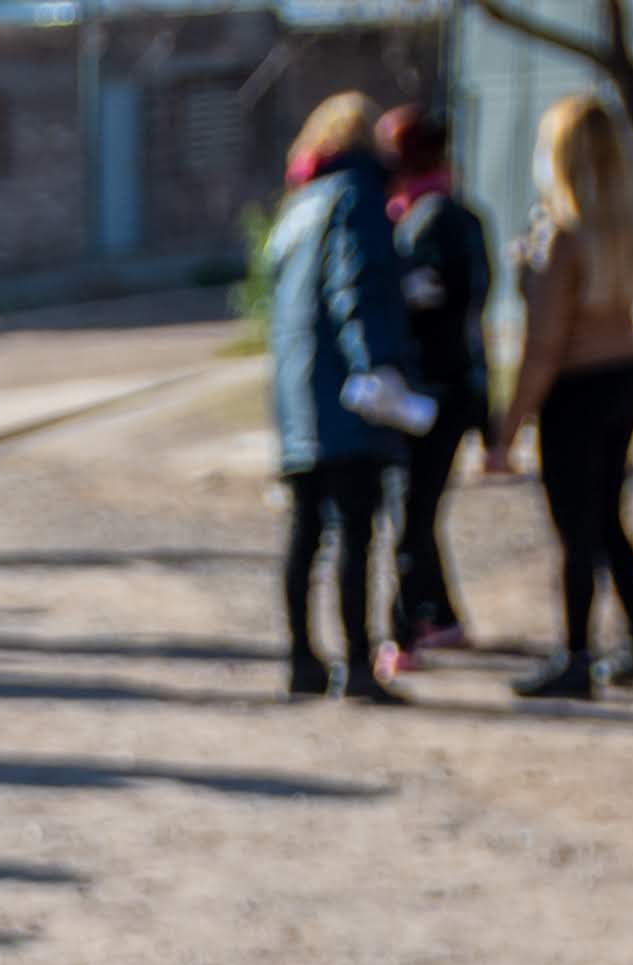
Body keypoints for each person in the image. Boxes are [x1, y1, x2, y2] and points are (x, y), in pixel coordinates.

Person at [494, 90, 633, 699]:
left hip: (577, 387)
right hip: (627, 374)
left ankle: (575, 654)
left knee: (577, 527)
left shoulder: (562, 237)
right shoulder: (626, 227)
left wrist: (507, 428)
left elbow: (543, 345)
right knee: (611, 514)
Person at [262, 93, 419, 704]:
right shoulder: (357, 198)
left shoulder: (297, 207)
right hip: (347, 397)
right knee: (356, 533)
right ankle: (357, 664)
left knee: (306, 532)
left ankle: (303, 659)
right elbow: (356, 288)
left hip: (299, 396)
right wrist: (379, 369)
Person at [377, 103, 493, 667]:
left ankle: (406, 633)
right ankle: (442, 617)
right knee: (420, 511)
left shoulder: (424, 222)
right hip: (458, 389)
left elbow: (435, 316)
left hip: (427, 395)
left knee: (411, 514)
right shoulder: (465, 216)